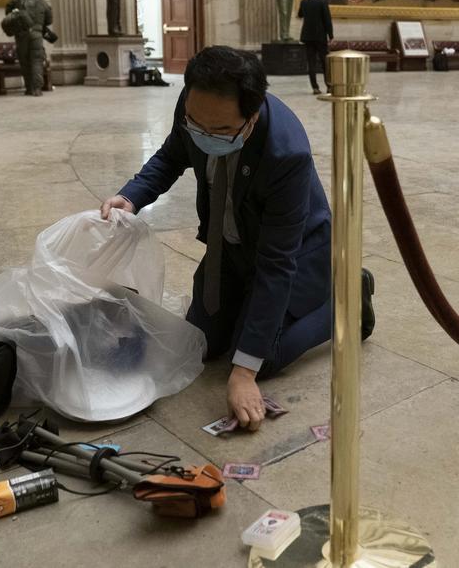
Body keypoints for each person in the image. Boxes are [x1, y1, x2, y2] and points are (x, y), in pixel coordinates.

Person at [100, 47, 375, 431]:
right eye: (198, 125)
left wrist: (245, 374)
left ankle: (348, 300)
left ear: (254, 113)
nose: (206, 135)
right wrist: (131, 197)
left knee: (263, 356)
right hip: (230, 246)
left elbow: (277, 264)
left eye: (223, 131)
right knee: (201, 343)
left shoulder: (286, 153)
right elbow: (172, 154)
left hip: (296, 253)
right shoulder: (198, 102)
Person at [5, 0, 52, 96]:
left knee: (24, 61)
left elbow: (7, 12)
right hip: (37, 35)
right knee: (37, 61)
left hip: (21, 35)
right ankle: (37, 89)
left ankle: (29, 88)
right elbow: (49, 20)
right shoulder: (43, 2)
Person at [297, 0, 333, 95]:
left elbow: (300, 14)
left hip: (307, 36)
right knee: (324, 62)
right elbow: (327, 20)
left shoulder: (303, 2)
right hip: (320, 36)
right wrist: (330, 35)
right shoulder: (322, 2)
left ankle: (315, 88)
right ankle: (329, 87)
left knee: (311, 63)